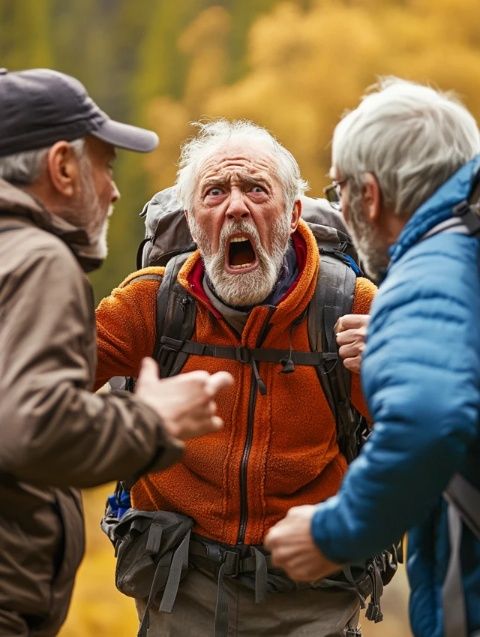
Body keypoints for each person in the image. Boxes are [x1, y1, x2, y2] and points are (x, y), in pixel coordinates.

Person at [95, 119, 378, 636]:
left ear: (293, 215)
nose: (236, 206)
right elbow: (41, 382)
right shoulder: (151, 305)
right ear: (194, 220)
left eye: (256, 189)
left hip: (312, 597)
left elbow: (432, 431)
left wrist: (394, 368)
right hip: (179, 590)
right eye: (215, 192)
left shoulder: (351, 307)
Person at [0, 68, 232, 637]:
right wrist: (151, 421)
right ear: (60, 167)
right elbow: (32, 427)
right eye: (103, 164)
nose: (113, 189)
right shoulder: (38, 260)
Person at [265, 78, 480, 637]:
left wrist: (332, 533)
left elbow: (430, 418)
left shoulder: (429, 273)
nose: (336, 207)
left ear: (369, 195)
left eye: (338, 190)